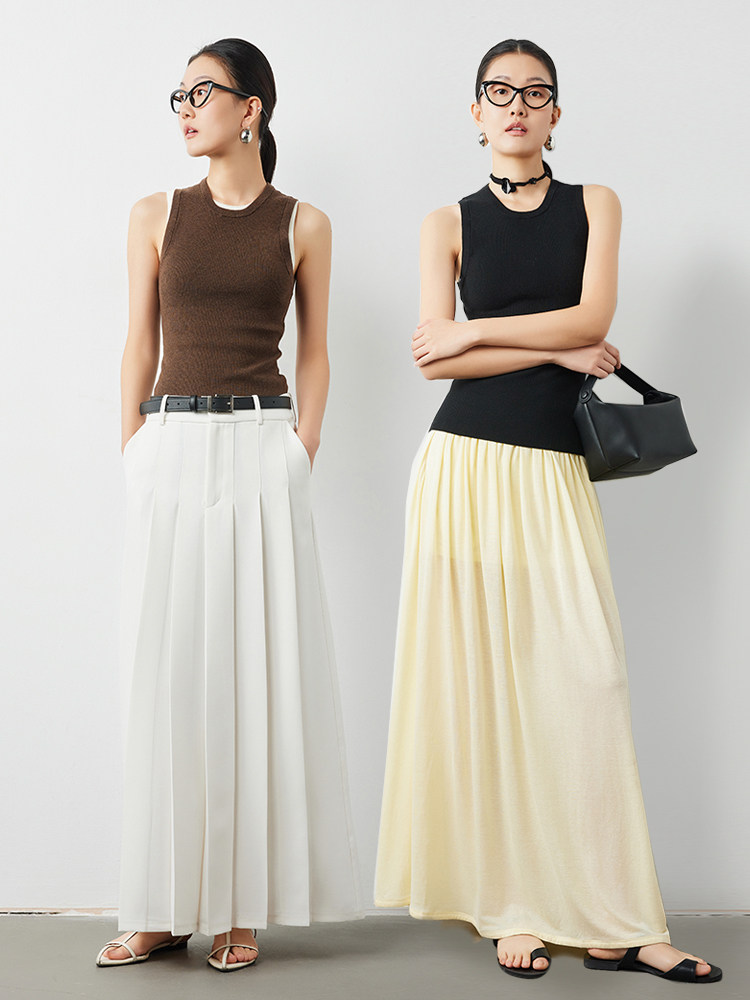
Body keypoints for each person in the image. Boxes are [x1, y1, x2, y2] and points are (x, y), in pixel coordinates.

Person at [373, 39, 721, 985]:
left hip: (552, 470)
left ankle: (622, 921)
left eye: (535, 93)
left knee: (586, 681)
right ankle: (514, 906)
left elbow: (588, 320)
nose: (517, 105)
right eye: (499, 92)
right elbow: (433, 362)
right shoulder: (445, 222)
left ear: (557, 113)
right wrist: (549, 347)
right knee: (491, 693)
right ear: (475, 113)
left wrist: (482, 331)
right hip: (462, 465)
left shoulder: (595, 204)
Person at [96, 37, 363, 972]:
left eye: (201, 92)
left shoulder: (304, 223)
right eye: (177, 94)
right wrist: (133, 447)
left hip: (261, 448)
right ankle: (160, 905)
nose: (184, 108)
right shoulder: (155, 213)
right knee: (167, 675)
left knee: (251, 674)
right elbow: (138, 342)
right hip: (170, 447)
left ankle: (239, 906)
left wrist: (301, 448)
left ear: (251, 108)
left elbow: (316, 351)